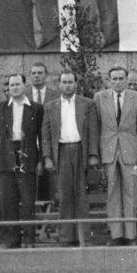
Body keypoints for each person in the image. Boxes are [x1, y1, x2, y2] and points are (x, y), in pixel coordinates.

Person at [0, 72, 47, 249]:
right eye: (11, 85)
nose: (14, 88)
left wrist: (41, 159)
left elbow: (42, 136)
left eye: (17, 84)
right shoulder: (1, 107)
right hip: (6, 157)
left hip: (28, 156)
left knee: (28, 201)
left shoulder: (35, 108)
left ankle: (29, 239)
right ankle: (12, 239)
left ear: (24, 86)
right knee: (8, 202)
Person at [44, 70, 100, 246]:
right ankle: (66, 237)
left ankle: (84, 237)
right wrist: (47, 157)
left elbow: (93, 130)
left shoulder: (87, 104)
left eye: (70, 82)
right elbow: (45, 135)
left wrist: (93, 154)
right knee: (65, 196)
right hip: (61, 152)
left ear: (76, 84)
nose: (67, 85)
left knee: (81, 196)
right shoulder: (50, 106)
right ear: (59, 85)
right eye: (64, 82)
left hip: (80, 150)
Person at [94, 65, 137, 246]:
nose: (118, 82)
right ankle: (116, 235)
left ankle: (130, 235)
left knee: (131, 193)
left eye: (121, 78)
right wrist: (97, 154)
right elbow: (97, 126)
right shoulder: (100, 97)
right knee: (112, 194)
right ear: (109, 80)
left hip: (131, 152)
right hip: (109, 151)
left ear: (126, 79)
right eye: (114, 79)